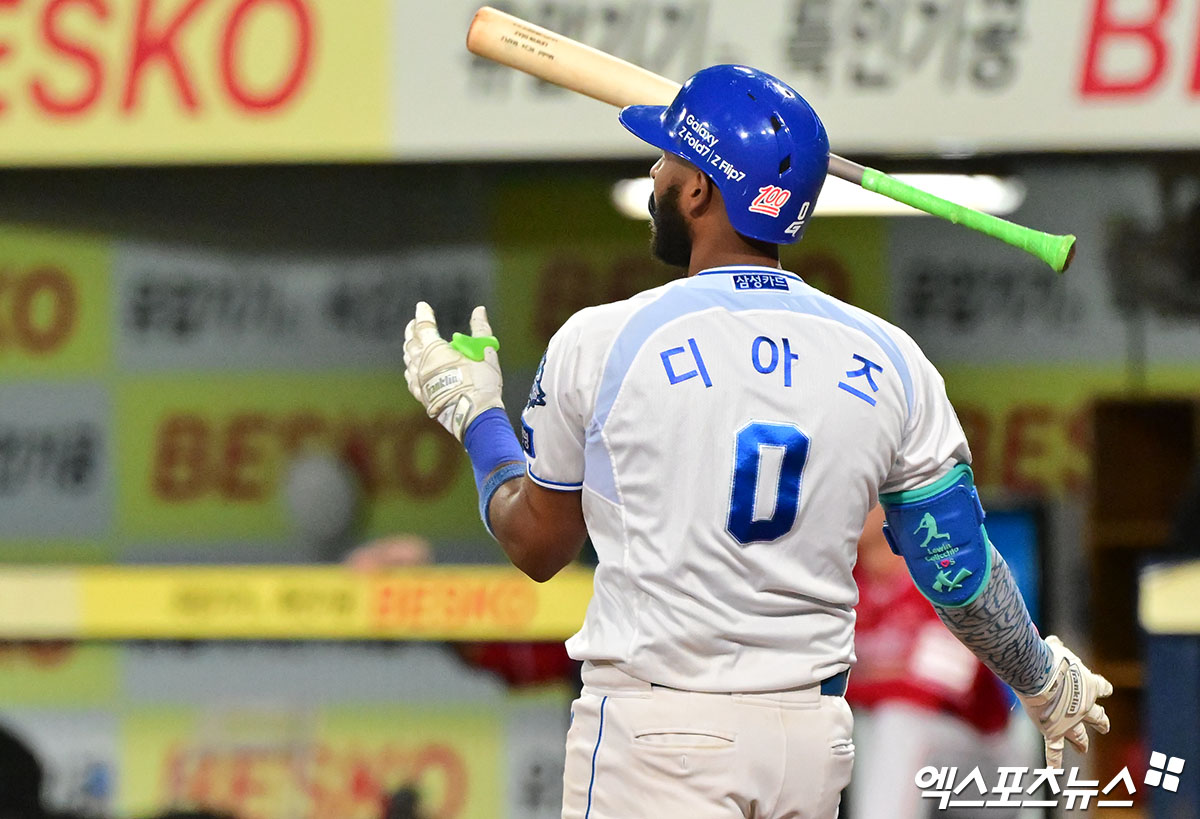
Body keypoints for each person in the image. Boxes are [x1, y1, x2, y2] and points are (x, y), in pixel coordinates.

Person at [403, 64, 1111, 818]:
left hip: (659, 739)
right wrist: (1040, 676)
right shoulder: (893, 358)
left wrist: (475, 416)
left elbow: (536, 544)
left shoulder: (605, 339)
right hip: (808, 749)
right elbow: (958, 568)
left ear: (702, 191)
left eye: (668, 158)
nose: (654, 170)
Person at [847, 506, 1017, 819]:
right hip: (881, 749)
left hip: (981, 766)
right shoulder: (839, 587)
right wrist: (891, 672)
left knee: (898, 721)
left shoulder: (948, 574)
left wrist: (853, 680)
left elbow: (932, 689)